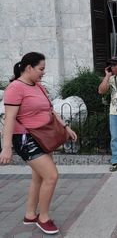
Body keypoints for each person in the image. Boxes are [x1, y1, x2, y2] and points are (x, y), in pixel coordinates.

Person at [0, 52, 78, 234]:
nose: (43, 72)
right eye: (41, 69)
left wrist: (66, 127)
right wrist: (6, 148)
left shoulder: (38, 86)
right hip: (26, 139)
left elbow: (50, 110)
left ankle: (30, 215)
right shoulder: (15, 88)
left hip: (43, 135)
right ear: (29, 68)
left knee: (40, 177)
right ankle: (43, 218)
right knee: (51, 176)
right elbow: (9, 119)